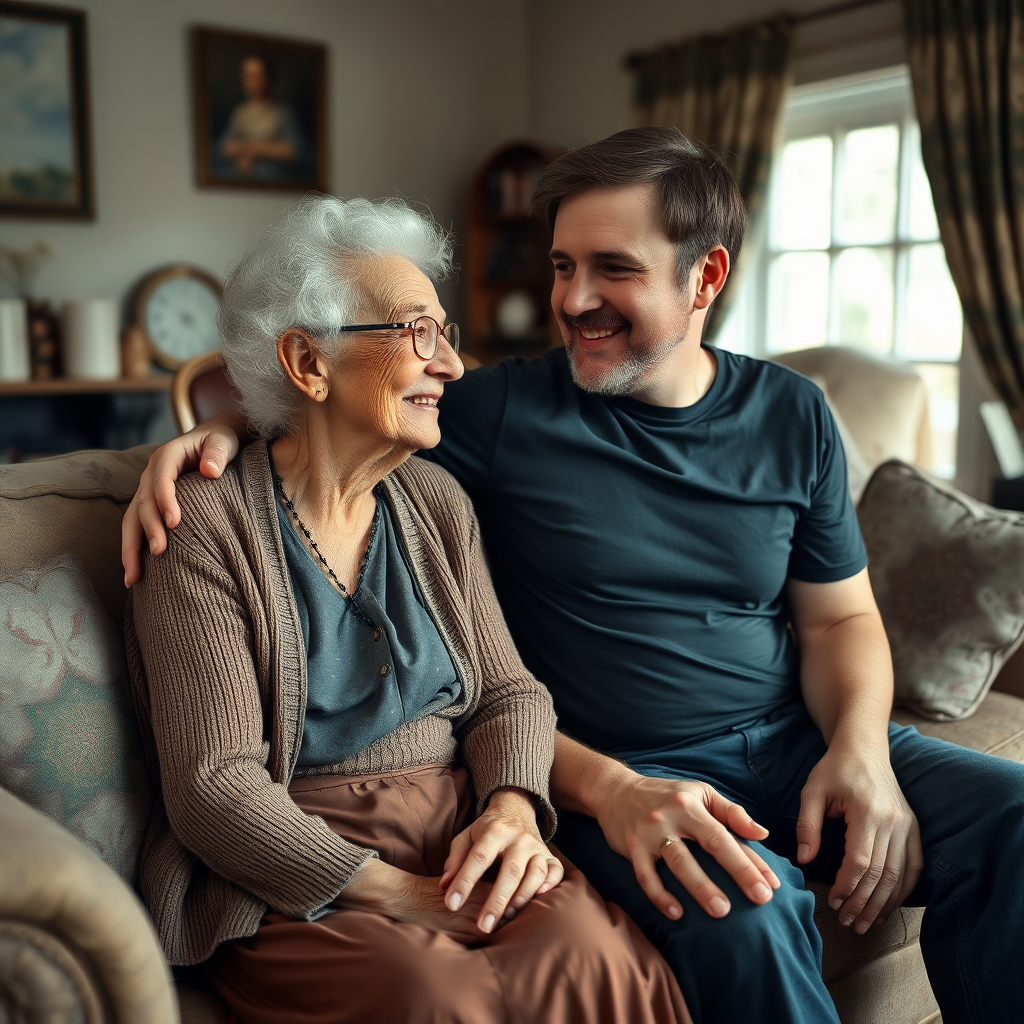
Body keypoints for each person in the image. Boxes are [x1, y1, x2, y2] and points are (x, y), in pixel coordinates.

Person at [124, 129, 1024, 1024]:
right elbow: (334, 416)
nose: (573, 299)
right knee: (741, 911)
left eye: (612, 268)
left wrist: (861, 752)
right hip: (617, 764)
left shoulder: (795, 413)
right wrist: (217, 438)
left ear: (704, 278)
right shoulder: (499, 411)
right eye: (561, 265)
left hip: (786, 741)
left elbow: (838, 623)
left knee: (1013, 815)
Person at [123, 195, 690, 1024]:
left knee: (598, 962)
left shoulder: (434, 499)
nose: (451, 366)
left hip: (460, 828)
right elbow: (214, 787)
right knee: (437, 996)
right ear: (308, 364)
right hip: (289, 863)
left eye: (445, 333)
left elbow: (509, 695)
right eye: (415, 333)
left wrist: (512, 812)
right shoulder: (202, 522)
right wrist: (405, 896)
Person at [216, 55, 303, 180]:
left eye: (258, 76)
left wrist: (252, 151)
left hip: (272, 177)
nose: (253, 82)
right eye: (249, 77)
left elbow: (293, 152)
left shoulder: (283, 112)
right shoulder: (240, 112)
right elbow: (225, 148)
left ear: (269, 78)